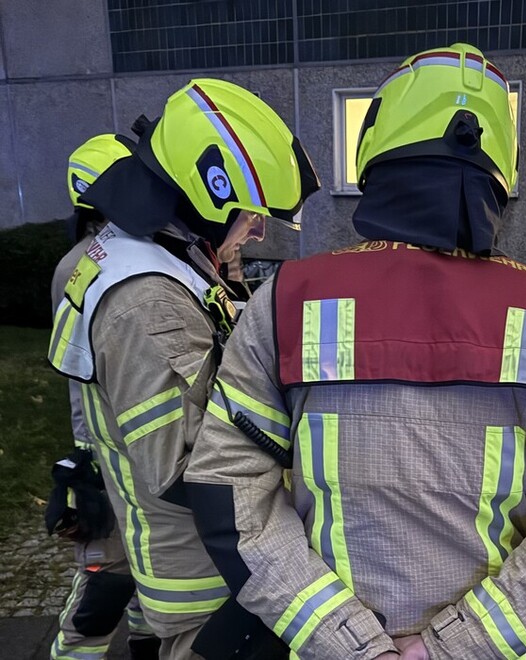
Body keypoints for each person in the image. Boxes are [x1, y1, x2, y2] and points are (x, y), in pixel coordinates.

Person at [184, 43, 526, 660]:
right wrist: (452, 646)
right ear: (501, 170)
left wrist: (349, 641)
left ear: (375, 150)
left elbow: (227, 489)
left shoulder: (287, 301)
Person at [48, 78, 319, 658]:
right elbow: (188, 468)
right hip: (205, 573)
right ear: (206, 195)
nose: (258, 229)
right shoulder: (148, 303)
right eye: (252, 214)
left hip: (189, 552)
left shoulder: (137, 255)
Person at [47, 134, 160, 660]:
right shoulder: (90, 263)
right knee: (106, 584)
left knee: (142, 578)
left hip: (122, 447)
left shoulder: (108, 252)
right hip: (106, 451)